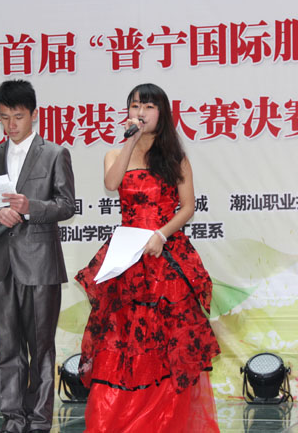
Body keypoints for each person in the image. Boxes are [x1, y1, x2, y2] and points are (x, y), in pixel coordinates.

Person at [76, 83, 221, 432]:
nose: (141, 112)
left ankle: (164, 423)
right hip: (126, 259)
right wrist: (130, 140)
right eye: (135, 106)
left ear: (162, 114)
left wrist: (161, 235)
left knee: (165, 344)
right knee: (120, 341)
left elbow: (187, 207)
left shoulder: (174, 158)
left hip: (164, 256)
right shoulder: (115, 153)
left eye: (149, 107)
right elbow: (112, 183)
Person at [0, 79, 75, 433]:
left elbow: (66, 205)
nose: (11, 124)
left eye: (18, 116)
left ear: (34, 115)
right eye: (4, 117)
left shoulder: (54, 153)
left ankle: (40, 421)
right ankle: (13, 420)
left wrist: (31, 208)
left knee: (41, 348)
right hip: (1, 264)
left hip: (41, 264)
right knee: (9, 347)